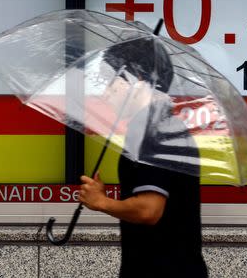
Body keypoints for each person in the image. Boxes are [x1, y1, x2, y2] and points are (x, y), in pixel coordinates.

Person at [79, 37, 208, 278]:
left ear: (136, 78)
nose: (105, 94)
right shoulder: (164, 125)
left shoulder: (151, 130)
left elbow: (149, 209)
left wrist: (101, 202)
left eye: (111, 82)